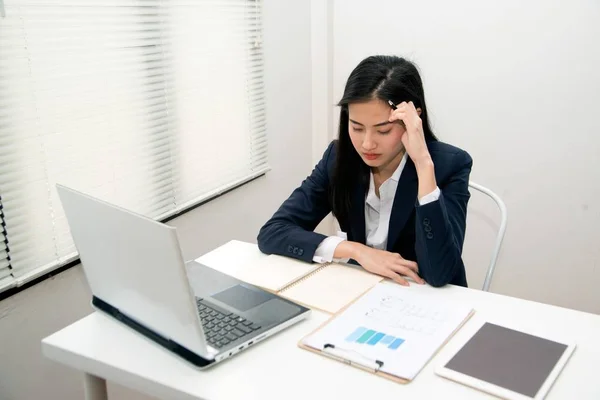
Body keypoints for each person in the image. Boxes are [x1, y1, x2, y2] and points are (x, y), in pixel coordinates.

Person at [257, 55, 472, 288]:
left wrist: (423, 164)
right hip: (363, 293)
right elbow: (273, 232)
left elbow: (439, 273)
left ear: (413, 120)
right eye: (357, 127)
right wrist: (356, 251)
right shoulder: (338, 157)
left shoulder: (450, 166)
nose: (367, 144)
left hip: (425, 300)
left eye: (383, 130)